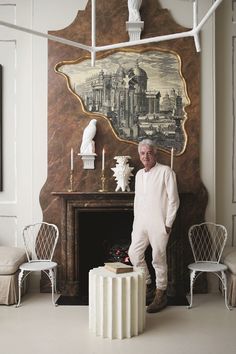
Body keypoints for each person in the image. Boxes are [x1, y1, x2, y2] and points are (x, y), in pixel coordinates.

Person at [128, 139, 179, 313]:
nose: (146, 156)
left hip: (159, 223)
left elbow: (174, 200)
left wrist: (168, 224)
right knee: (134, 253)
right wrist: (136, 221)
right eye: (142, 153)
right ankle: (148, 286)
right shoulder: (139, 175)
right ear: (139, 155)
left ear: (155, 153)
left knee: (158, 257)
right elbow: (137, 200)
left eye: (149, 152)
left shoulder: (166, 171)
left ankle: (160, 293)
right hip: (140, 223)